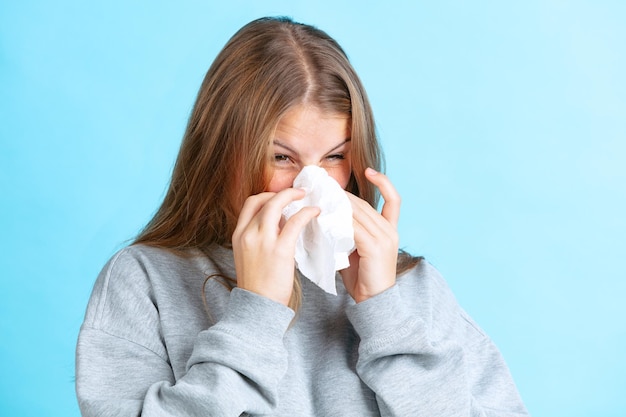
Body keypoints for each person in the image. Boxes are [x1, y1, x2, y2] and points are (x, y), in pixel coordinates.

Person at [75, 16, 529, 416]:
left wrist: (385, 312)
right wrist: (255, 314)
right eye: (282, 158)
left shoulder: (412, 288)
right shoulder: (144, 281)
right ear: (220, 154)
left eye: (334, 157)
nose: (312, 188)